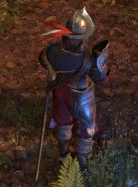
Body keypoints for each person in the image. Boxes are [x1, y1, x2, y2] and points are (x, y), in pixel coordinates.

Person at [40, 8, 109, 159]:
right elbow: (101, 80)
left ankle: (63, 154)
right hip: (80, 96)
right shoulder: (88, 58)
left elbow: (43, 59)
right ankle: (81, 167)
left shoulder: (52, 50)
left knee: (63, 122)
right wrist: (101, 64)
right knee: (87, 130)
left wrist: (53, 72)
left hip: (59, 91)